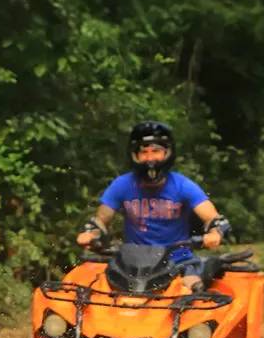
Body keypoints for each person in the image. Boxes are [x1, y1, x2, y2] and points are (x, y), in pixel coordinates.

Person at [76, 120, 231, 290]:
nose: (150, 158)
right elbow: (101, 220)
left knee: (192, 291)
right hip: (133, 263)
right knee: (96, 291)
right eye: (144, 152)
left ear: (167, 153)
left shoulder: (183, 186)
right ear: (135, 155)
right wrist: (91, 234)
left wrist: (215, 233)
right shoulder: (122, 185)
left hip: (178, 259)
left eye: (156, 151)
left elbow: (214, 219)